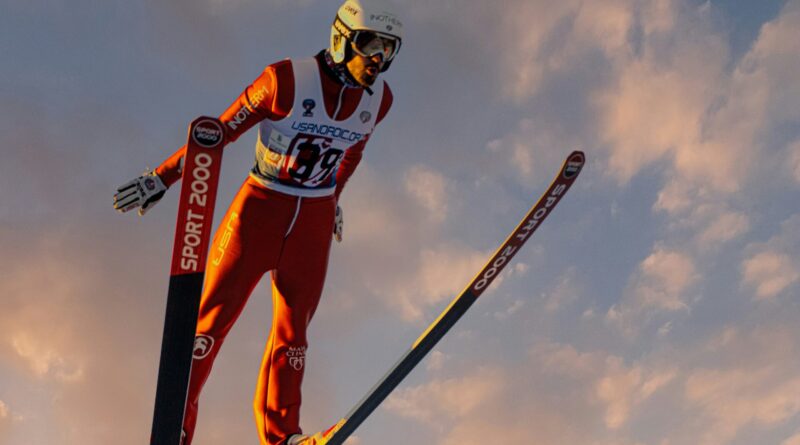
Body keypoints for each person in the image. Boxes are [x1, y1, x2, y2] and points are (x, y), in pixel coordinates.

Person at [113, 1, 402, 444]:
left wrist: (334, 200)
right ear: (342, 39)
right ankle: (178, 429)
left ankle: (282, 435)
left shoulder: (379, 101)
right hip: (261, 207)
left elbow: (352, 153)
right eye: (369, 45)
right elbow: (220, 132)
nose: (378, 59)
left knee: (294, 335)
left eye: (389, 49)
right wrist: (162, 178)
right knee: (210, 322)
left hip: (313, 216)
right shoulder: (285, 80)